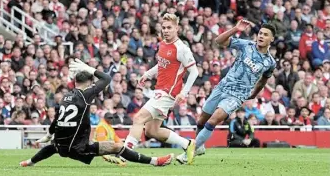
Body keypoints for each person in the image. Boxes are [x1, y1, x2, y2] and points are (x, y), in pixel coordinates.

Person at [19, 59, 174, 167]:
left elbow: (57, 119)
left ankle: (29, 162)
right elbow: (106, 78)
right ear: (88, 84)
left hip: (61, 145)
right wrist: (89, 68)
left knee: (53, 147)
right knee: (117, 147)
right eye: (91, 84)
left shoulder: (65, 97)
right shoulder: (86, 95)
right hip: (78, 148)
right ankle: (155, 161)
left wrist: (49, 133)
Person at [177, 21, 276, 163]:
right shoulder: (246, 45)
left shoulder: (270, 63)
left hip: (237, 95)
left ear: (271, 39)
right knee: (201, 121)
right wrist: (235, 29)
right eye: (260, 33)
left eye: (265, 35)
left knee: (213, 120)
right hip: (222, 87)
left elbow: (263, 81)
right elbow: (218, 41)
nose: (261, 36)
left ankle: (188, 153)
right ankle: (199, 147)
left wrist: (254, 94)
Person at [111, 13, 198, 165]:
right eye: (163, 27)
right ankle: (187, 144)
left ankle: (123, 156)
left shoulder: (181, 48)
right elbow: (162, 65)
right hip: (159, 90)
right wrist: (148, 74)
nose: (165, 30)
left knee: (139, 118)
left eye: (169, 28)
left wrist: (183, 93)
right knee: (152, 131)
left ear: (177, 28)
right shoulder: (163, 44)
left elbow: (194, 71)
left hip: (168, 93)